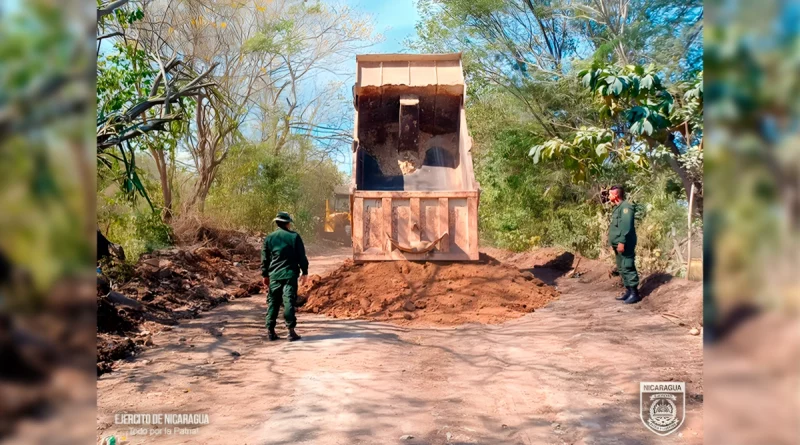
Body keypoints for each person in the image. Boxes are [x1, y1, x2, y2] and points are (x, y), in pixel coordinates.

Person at [261, 212, 309, 341]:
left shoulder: (269, 238)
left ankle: (270, 331)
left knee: (273, 301)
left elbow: (265, 259)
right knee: (288, 300)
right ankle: (290, 331)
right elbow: (301, 256)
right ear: (287, 223)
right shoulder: (294, 237)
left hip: (274, 275)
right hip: (290, 274)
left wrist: (265, 275)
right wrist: (305, 272)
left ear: (277, 223)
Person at [608, 185, 641, 304]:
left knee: (627, 266)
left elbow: (626, 227)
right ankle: (628, 290)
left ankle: (634, 293)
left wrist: (622, 241)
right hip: (618, 244)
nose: (608, 196)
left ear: (616, 195)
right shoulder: (617, 208)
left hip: (625, 243)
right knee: (621, 267)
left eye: (610, 194)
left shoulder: (626, 207)